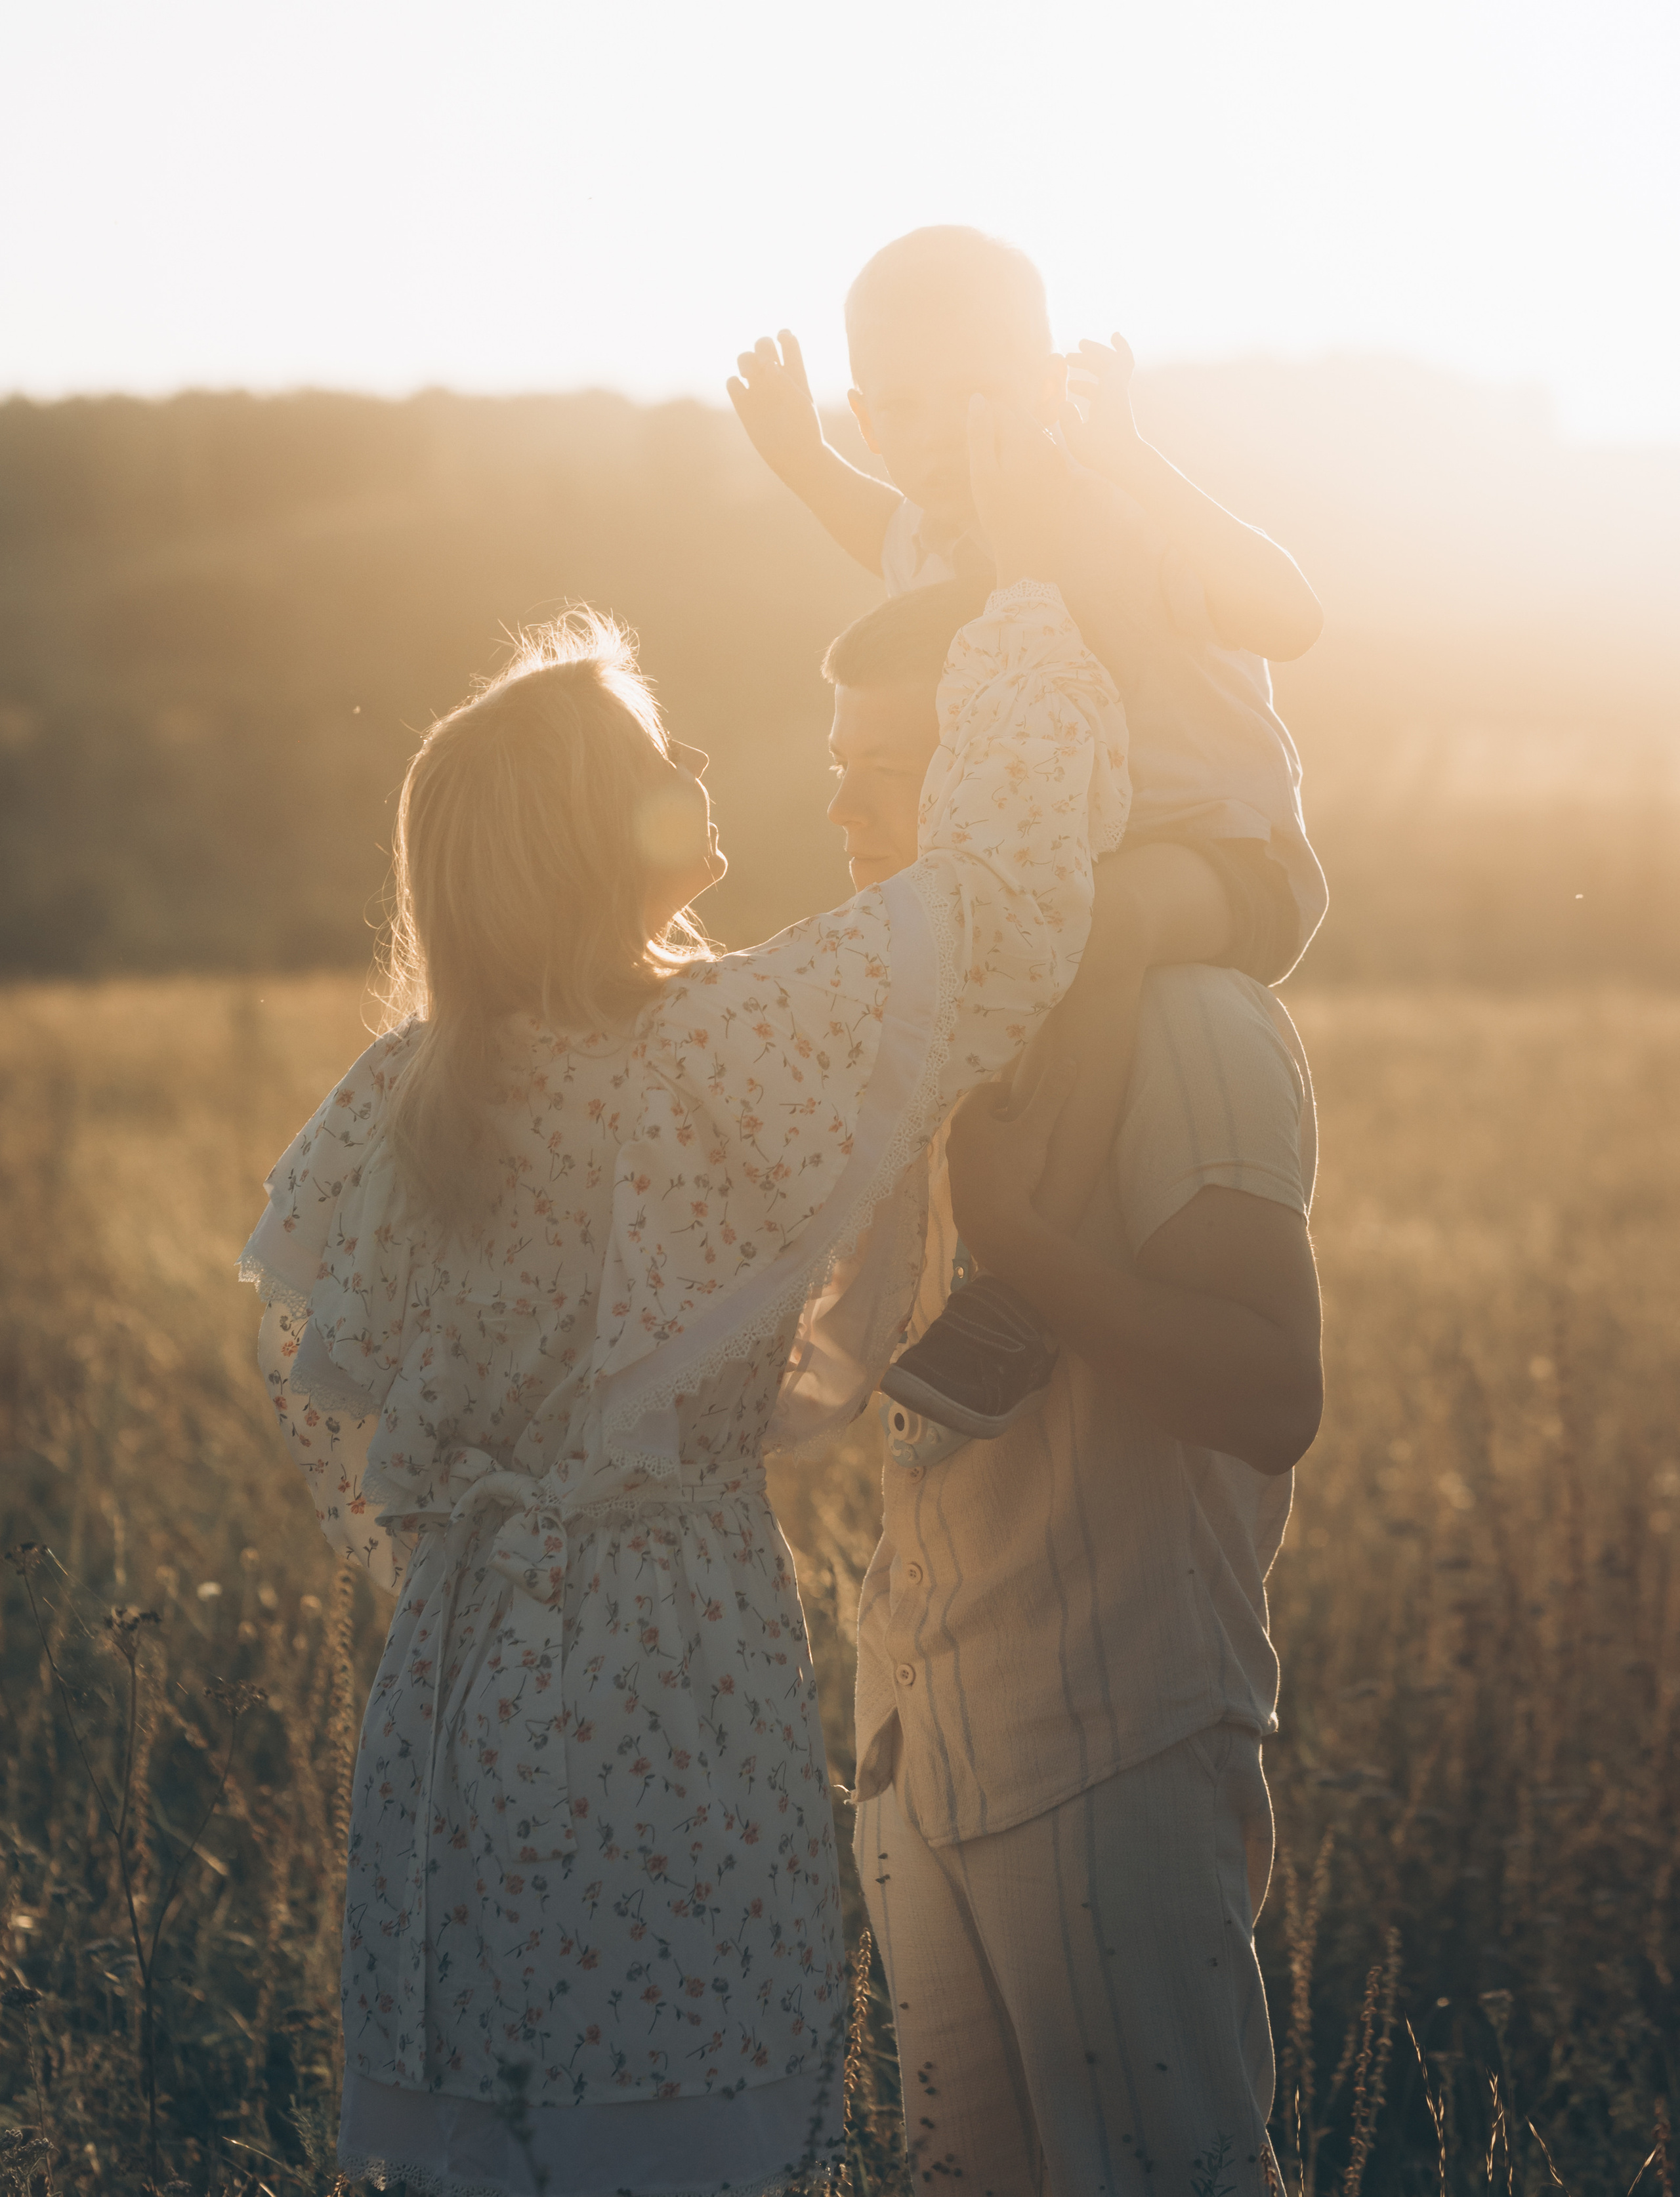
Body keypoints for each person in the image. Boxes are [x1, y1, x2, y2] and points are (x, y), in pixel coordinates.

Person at [235, 400, 1129, 2197]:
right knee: (681, 2125)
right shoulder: (713, 1052)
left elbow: (330, 1403)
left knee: (501, 2140)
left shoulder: (392, 1097)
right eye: (662, 751)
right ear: (592, 833)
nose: (700, 760)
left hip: (457, 1695)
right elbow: (1002, 901)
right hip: (663, 1670)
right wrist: (1030, 593)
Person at [819, 579, 1323, 2193]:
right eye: (839, 768)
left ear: (1010, 774)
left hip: (1108, 1739)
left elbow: (1272, 1388)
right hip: (917, 1740)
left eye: (899, 768)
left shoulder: (1189, 1024)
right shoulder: (932, 1036)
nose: (849, 813)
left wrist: (1025, 1245)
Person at [729, 224, 1327, 1444]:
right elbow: (874, 530)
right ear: (868, 418)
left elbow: (1289, 615)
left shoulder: (1104, 511)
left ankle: (1019, 1290)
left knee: (1093, 928)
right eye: (902, 407)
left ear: (1050, 387)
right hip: (1070, 861)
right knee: (974, 960)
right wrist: (801, 460)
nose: (939, 434)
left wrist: (1132, 456)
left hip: (1225, 854)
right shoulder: (939, 538)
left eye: (975, 393)